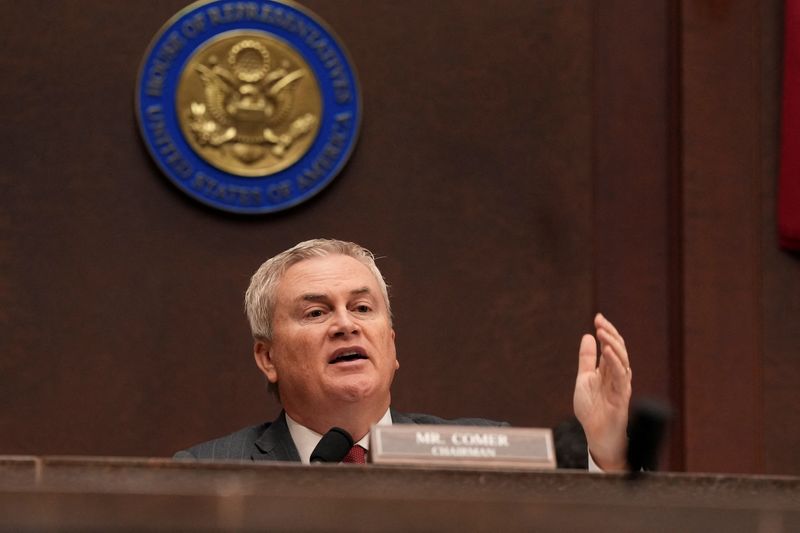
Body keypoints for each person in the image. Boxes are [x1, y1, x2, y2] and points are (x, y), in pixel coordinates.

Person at [175, 239, 633, 471]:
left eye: (362, 308)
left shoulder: (487, 450)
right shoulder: (208, 470)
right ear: (268, 357)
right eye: (316, 311)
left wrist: (606, 453)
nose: (345, 324)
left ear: (391, 345)